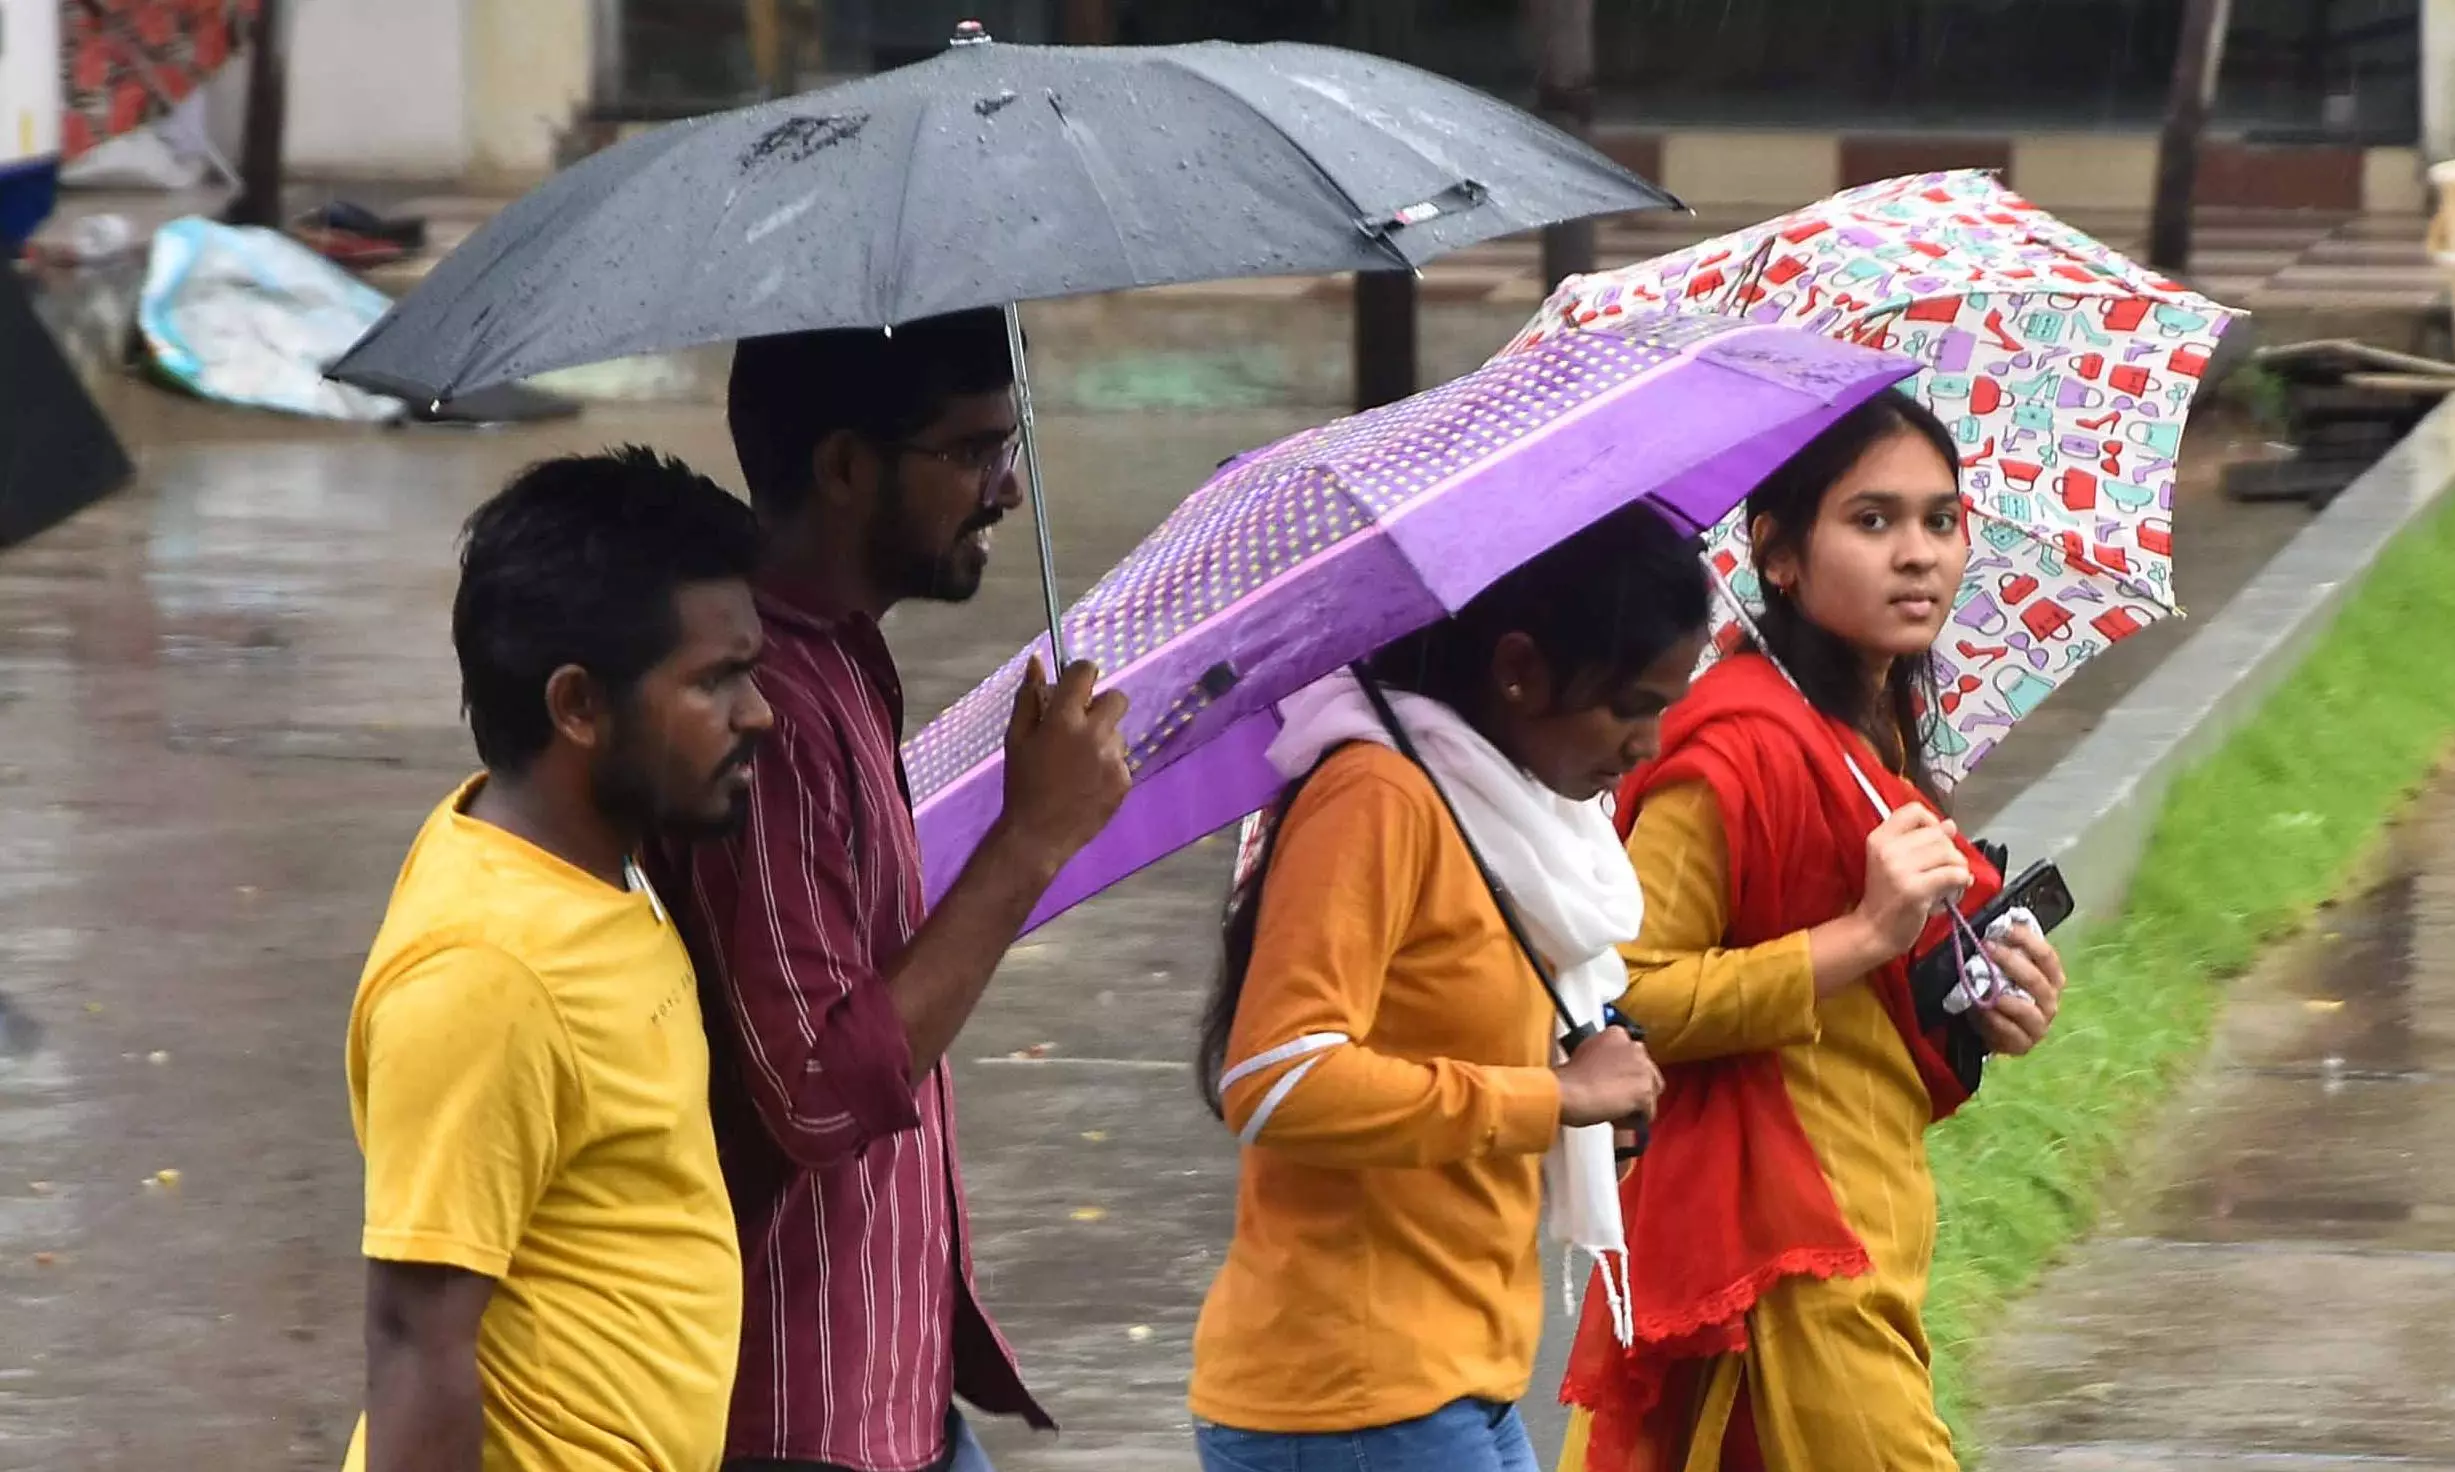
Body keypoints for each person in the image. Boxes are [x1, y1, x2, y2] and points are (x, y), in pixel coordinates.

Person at [655, 310, 1131, 1472]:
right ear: (846, 466)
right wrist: (1030, 840)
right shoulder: (762, 711)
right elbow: (817, 1090)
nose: (1006, 489)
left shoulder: (840, 663)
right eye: (972, 451)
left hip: (893, 1382)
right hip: (801, 1410)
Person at [1558, 392, 2069, 1472]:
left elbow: (1870, 1012)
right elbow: (1630, 1000)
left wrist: (1987, 999)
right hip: (1780, 1234)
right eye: (1872, 520)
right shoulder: (1734, 745)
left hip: (1870, 1210)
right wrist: (1866, 931)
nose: (1918, 555)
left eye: (1940, 519)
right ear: (1778, 554)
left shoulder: (1867, 733)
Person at [1188, 502, 1711, 1472]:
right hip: (1353, 1396)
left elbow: (1458, 1058)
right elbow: (1272, 1076)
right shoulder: (1378, 798)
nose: (1648, 742)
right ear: (1518, 668)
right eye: (1631, 702)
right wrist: (1552, 1094)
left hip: (1452, 1379)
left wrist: (1582, 1103)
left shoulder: (1505, 814)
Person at [344, 449, 772, 1472]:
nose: (758, 711)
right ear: (577, 706)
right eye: (715, 680)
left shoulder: (592, 861)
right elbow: (416, 1343)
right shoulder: (488, 971)